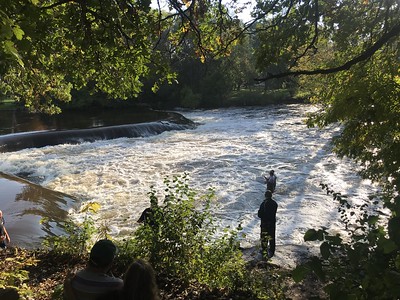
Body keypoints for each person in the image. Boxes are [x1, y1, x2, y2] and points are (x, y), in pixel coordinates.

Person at [257, 190, 278, 258]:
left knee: (264, 237)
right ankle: (272, 250)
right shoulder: (275, 203)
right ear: (271, 195)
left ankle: (264, 250)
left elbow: (260, 214)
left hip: (265, 223)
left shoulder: (263, 204)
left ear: (265, 195)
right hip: (272, 223)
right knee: (272, 237)